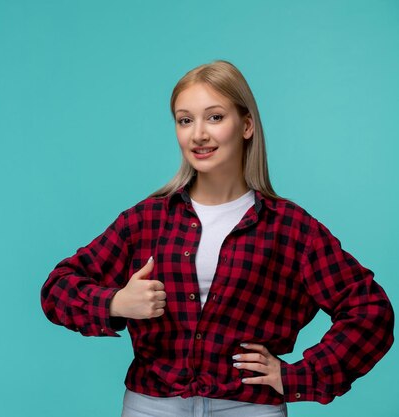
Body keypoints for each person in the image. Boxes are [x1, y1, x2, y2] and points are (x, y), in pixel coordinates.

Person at [40, 60, 394, 417]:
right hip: (152, 406)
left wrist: (299, 377)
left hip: (248, 408)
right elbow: (56, 289)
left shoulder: (289, 227)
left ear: (246, 125)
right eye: (185, 120)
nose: (198, 135)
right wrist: (116, 303)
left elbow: (369, 311)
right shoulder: (146, 219)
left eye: (214, 117)